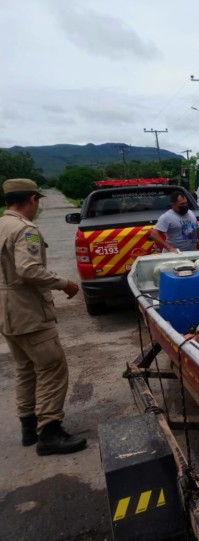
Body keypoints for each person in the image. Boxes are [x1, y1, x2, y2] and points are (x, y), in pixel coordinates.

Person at [0, 179, 87, 456]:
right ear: (33, 200)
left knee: (25, 368)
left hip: (7, 312)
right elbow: (29, 270)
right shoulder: (26, 230)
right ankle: (49, 431)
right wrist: (65, 283)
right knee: (52, 367)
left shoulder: (2, 225)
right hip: (27, 310)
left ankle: (29, 427)